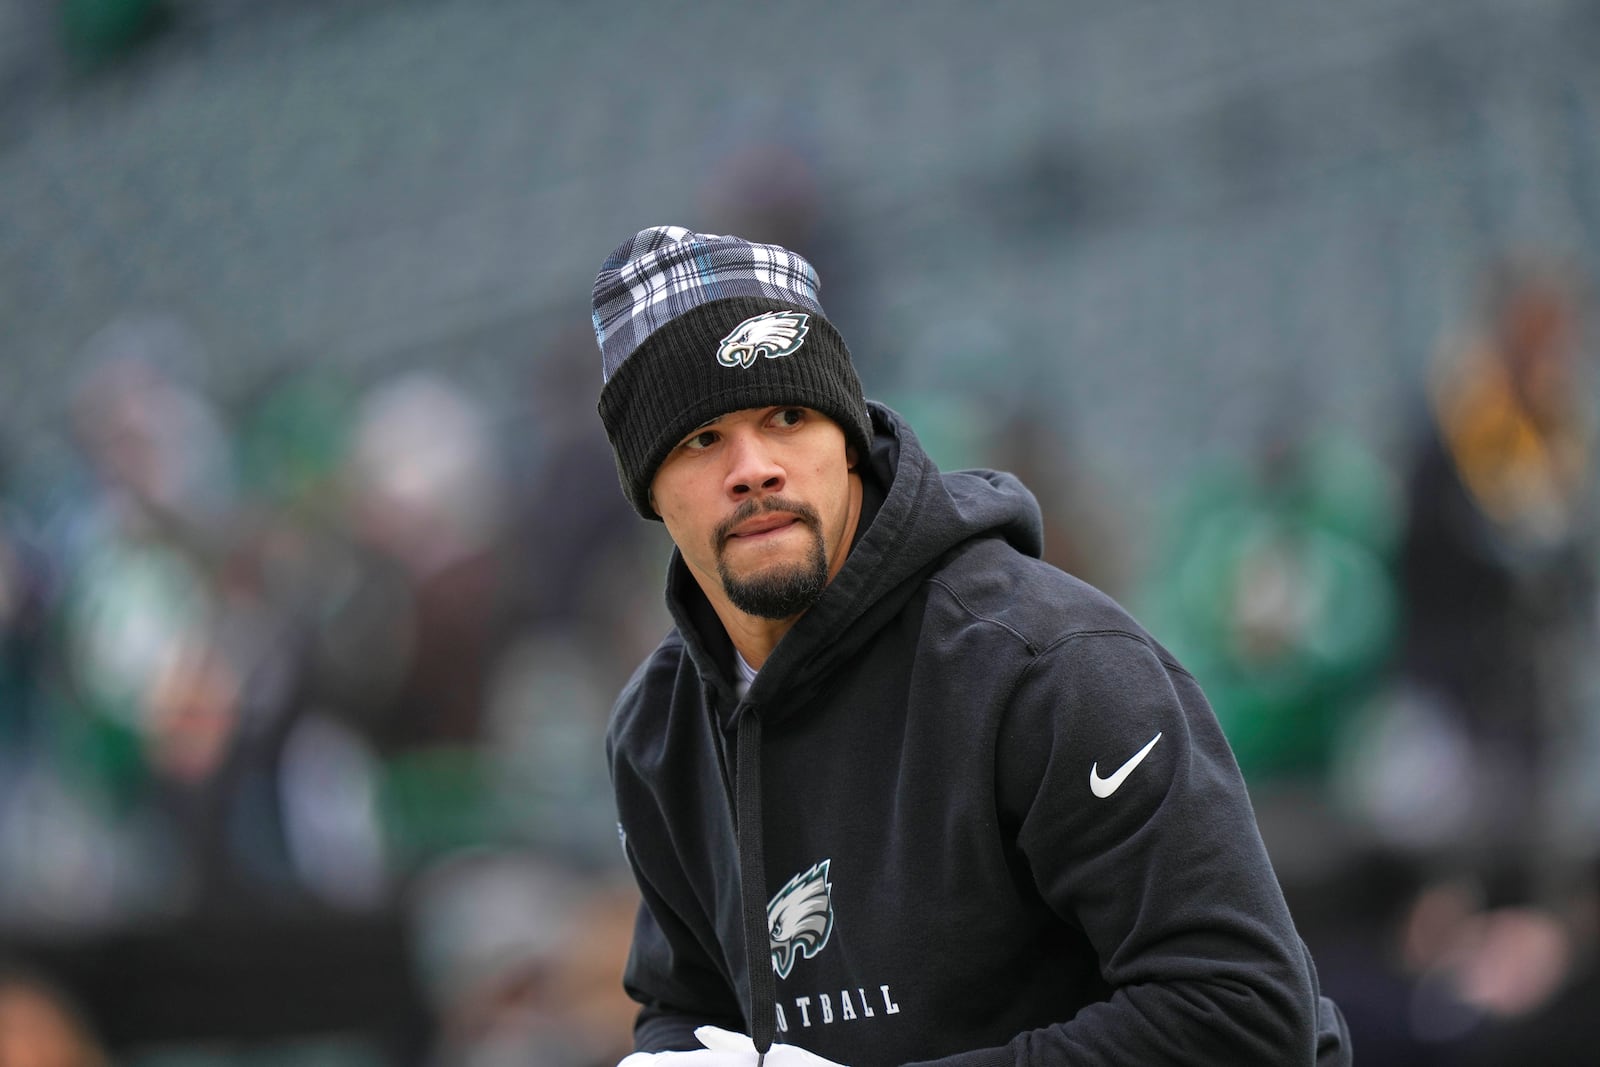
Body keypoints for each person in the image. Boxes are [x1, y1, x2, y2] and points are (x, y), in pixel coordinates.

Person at [589, 225, 1352, 1066]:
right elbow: (684, 1006)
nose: (756, 467)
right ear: (648, 487)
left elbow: (1244, 1016)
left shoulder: (1050, 666)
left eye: (789, 416)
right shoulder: (657, 730)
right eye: (702, 439)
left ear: (845, 438)